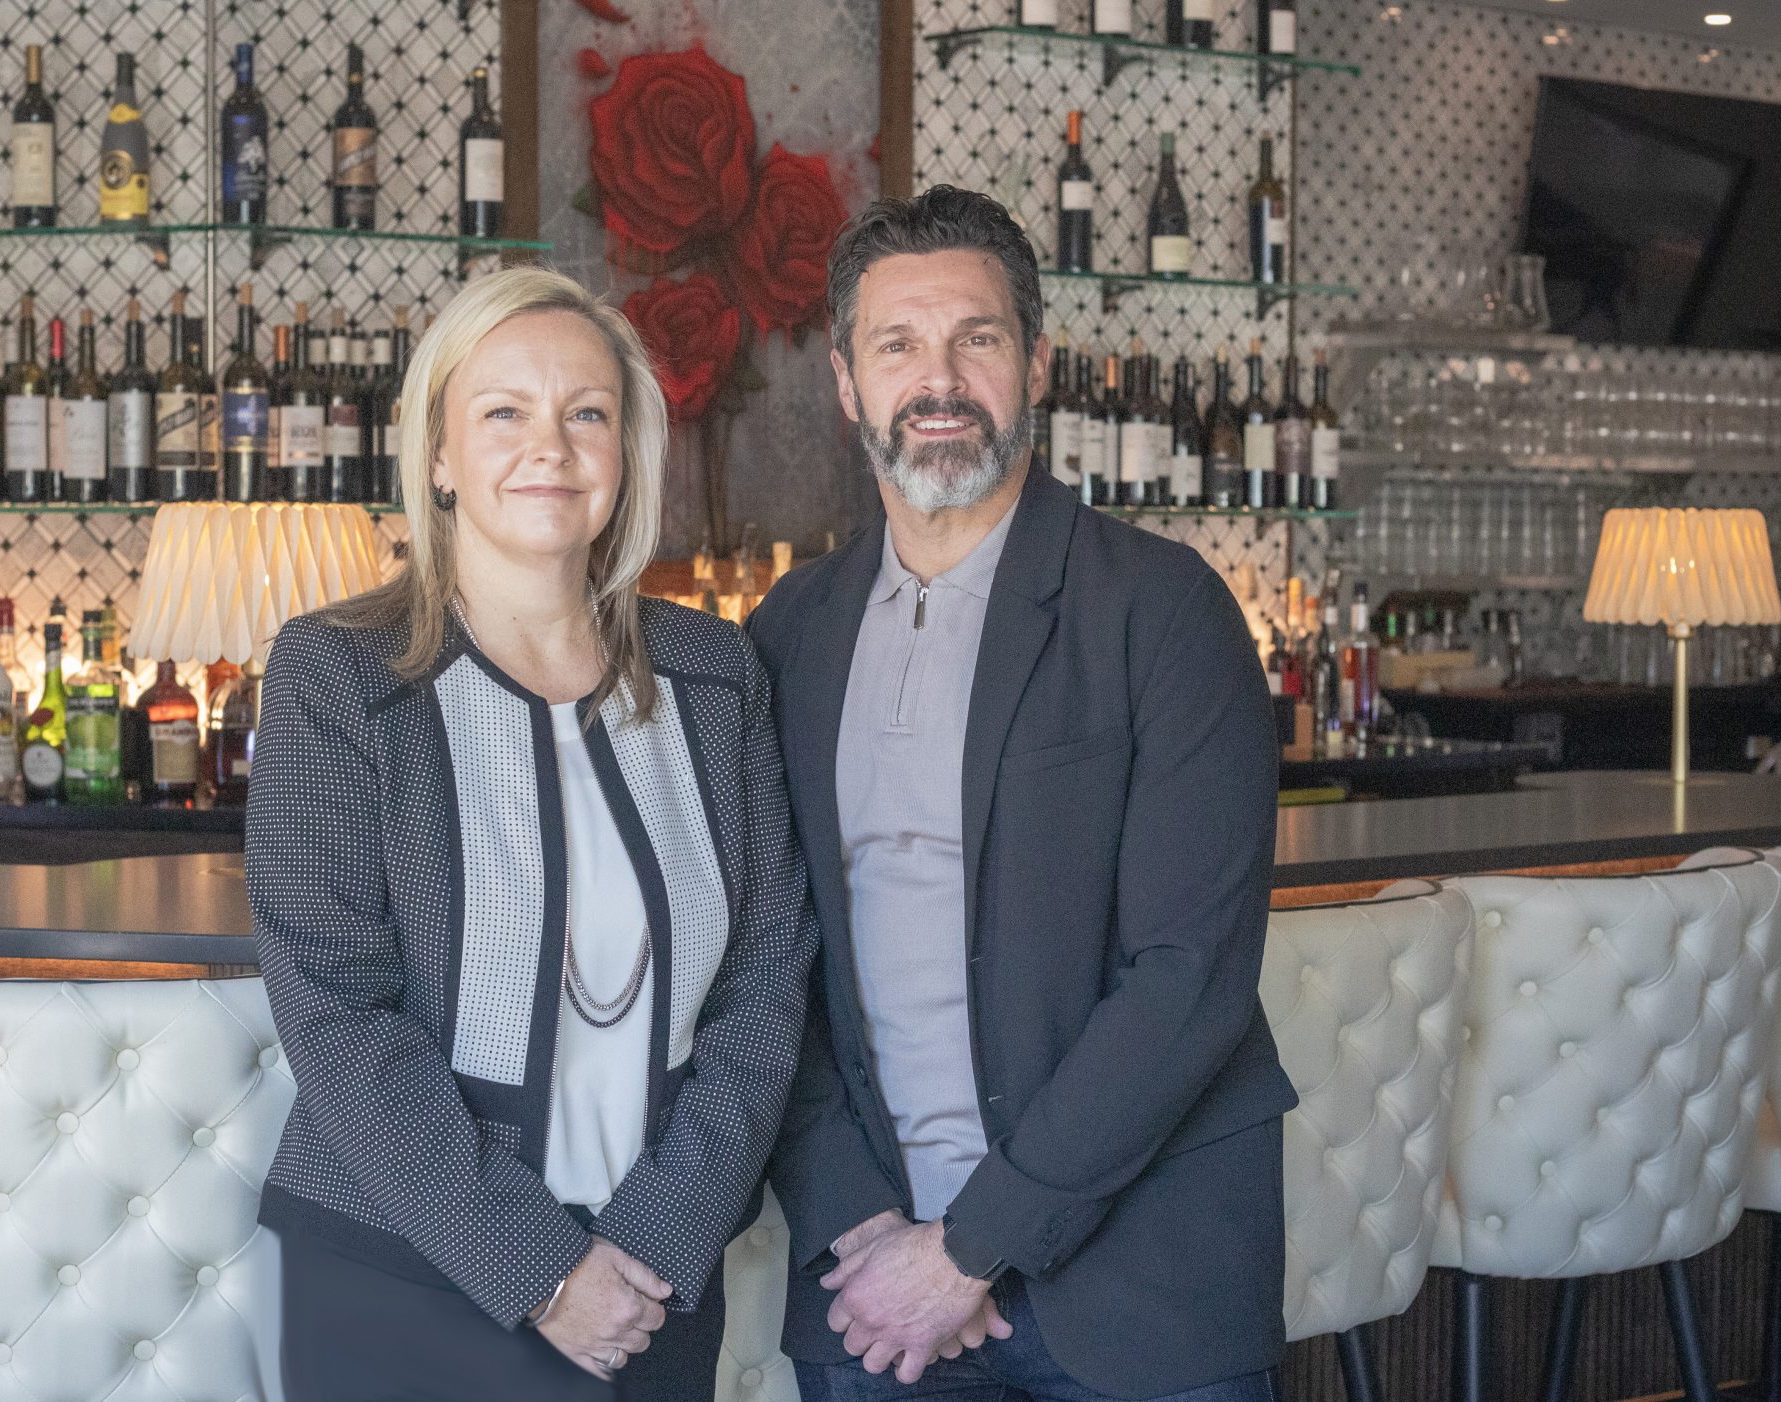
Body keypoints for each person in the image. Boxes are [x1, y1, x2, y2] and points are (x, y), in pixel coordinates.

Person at [748, 186, 1295, 1402]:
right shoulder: (786, 633)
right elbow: (767, 967)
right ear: (845, 381)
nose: (936, 380)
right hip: (873, 1289)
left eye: (976, 339)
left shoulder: (1163, 611)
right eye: (897, 345)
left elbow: (1187, 974)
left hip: (1135, 1281)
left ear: (1036, 363)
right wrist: (865, 1238)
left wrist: (974, 1246)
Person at [245, 265, 814, 1400]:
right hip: (404, 1275)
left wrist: (656, 1236)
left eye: (585, 413)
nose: (547, 446)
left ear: (626, 451)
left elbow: (768, 984)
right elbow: (338, 1014)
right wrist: (544, 1270)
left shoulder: (715, 674)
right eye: (503, 412)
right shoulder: (336, 674)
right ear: (440, 455)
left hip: (656, 1282)